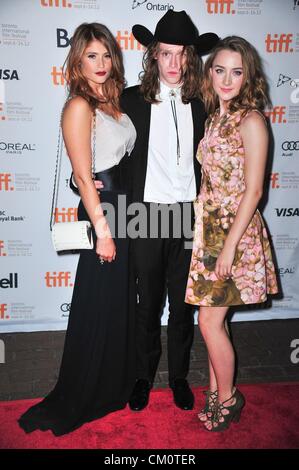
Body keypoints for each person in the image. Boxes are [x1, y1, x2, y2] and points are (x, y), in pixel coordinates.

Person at [18, 23, 136, 436]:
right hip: (104, 213)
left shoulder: (112, 101)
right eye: (92, 56)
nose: (101, 64)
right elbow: (85, 178)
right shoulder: (79, 106)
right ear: (77, 61)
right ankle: (83, 390)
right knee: (96, 302)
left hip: (127, 211)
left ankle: (109, 385)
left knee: (117, 303)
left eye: (106, 55)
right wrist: (102, 231)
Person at [120, 11, 219, 411]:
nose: (174, 64)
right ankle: (143, 376)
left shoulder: (204, 102)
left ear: (191, 58)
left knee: (182, 306)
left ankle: (178, 377)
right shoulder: (130, 99)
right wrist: (85, 180)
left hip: (187, 216)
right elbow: (105, 149)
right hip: (146, 214)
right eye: (165, 54)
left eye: (181, 55)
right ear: (153, 56)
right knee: (146, 306)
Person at [185, 36, 278, 431]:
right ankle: (214, 393)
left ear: (247, 76)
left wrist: (229, 247)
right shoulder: (213, 118)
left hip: (235, 236)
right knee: (212, 323)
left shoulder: (251, 120)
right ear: (210, 73)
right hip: (210, 232)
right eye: (219, 69)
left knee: (209, 323)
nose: (227, 79)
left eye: (236, 71)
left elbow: (254, 191)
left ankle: (228, 398)